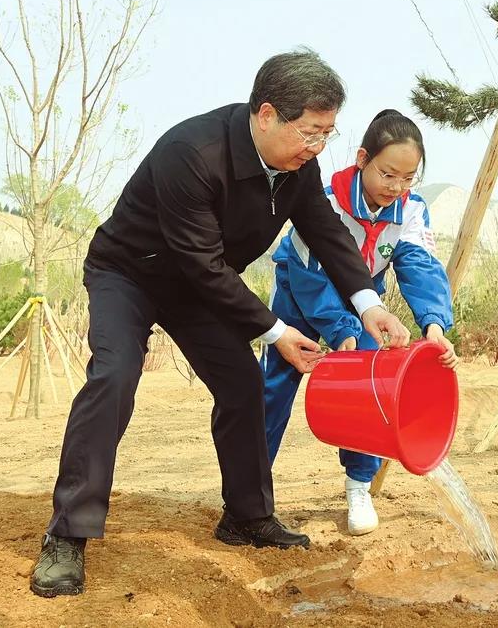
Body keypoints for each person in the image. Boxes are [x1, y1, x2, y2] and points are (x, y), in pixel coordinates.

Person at [30, 50, 411, 598]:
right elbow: (203, 264)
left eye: (327, 134)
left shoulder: (298, 166)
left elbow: (325, 231)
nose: (317, 146)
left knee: (241, 383)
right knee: (114, 377)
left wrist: (368, 302)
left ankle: (247, 517)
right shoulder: (192, 152)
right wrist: (277, 332)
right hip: (130, 274)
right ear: (266, 115)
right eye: (309, 132)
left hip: (199, 285)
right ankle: (67, 533)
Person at [261, 109, 457, 536]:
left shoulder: (411, 211)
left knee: (370, 389)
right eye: (388, 174)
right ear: (363, 157)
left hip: (364, 303)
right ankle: (253, 493)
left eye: (408, 178)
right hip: (300, 293)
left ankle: (358, 486)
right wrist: (340, 330)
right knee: (274, 384)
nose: (397, 187)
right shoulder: (324, 200)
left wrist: (434, 325)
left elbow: (420, 267)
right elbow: (311, 277)